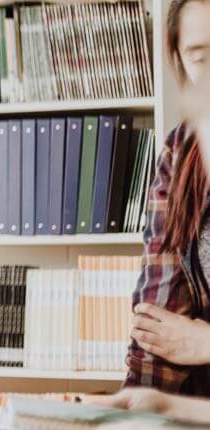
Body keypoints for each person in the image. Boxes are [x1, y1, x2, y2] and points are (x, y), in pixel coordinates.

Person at [126, 0, 210, 396]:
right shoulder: (182, 149)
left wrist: (203, 343)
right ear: (180, 63)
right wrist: (134, 407)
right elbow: (157, 319)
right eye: (202, 58)